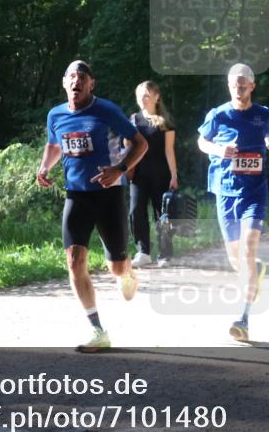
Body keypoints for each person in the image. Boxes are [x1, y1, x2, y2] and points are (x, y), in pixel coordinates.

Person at [37, 60, 148, 352]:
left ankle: (127, 272)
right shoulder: (56, 115)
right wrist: (45, 168)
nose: (76, 81)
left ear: (91, 84)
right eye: (71, 77)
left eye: (82, 77)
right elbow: (54, 145)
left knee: (116, 267)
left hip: (108, 194)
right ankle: (97, 330)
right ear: (64, 83)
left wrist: (120, 169)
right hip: (77, 196)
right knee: (74, 260)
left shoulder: (107, 110)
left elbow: (140, 144)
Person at [197, 63, 269, 342]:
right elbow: (201, 142)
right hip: (225, 192)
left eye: (243, 83)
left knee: (247, 249)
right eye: (234, 83)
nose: (239, 87)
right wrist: (219, 149)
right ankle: (254, 270)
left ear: (252, 86)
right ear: (229, 86)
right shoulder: (218, 115)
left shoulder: (263, 114)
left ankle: (242, 318)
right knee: (237, 259)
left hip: (254, 193)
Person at [126, 80, 178, 269]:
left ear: (157, 97)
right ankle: (143, 252)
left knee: (162, 214)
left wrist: (174, 175)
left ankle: (165, 253)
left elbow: (169, 151)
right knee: (135, 211)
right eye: (140, 95)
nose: (143, 98)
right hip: (138, 174)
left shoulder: (166, 122)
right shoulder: (132, 120)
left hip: (161, 173)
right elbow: (126, 146)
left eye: (147, 95)